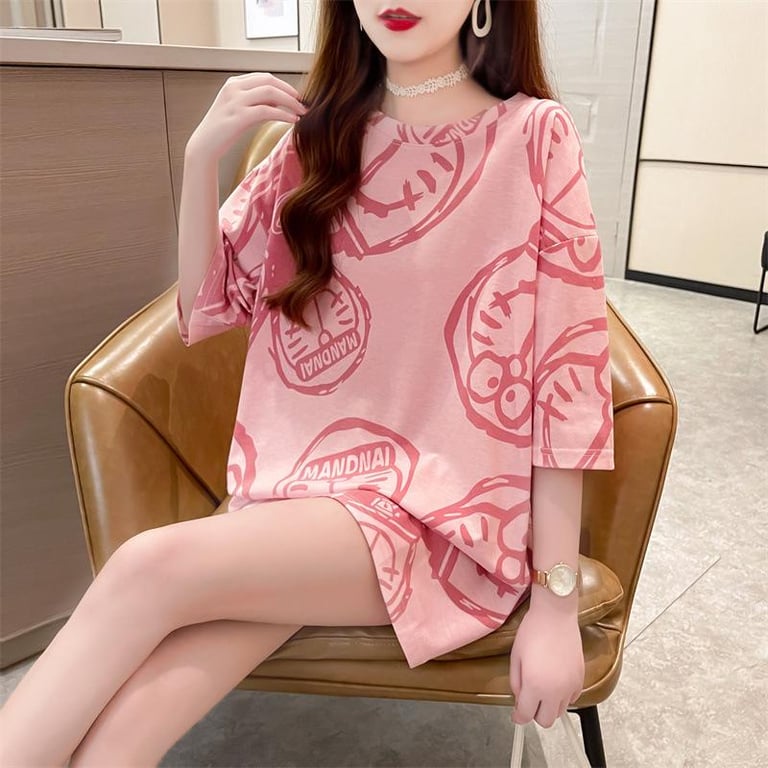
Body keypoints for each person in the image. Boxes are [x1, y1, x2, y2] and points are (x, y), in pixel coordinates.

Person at [0, 0, 614, 765]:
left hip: (442, 521)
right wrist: (201, 159)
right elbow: (206, 306)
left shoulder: (533, 137)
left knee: (143, 569)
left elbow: (567, 381)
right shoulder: (318, 139)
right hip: (294, 494)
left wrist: (554, 603)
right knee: (118, 744)